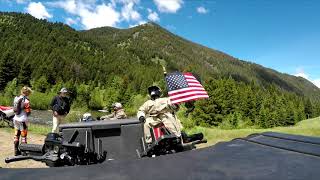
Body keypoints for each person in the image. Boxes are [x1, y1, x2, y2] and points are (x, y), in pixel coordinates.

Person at [13, 86, 32, 156]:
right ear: (27, 93)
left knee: (16, 135)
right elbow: (28, 112)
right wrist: (29, 111)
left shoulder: (16, 98)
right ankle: (24, 152)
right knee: (24, 136)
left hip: (15, 119)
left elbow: (14, 109)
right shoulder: (26, 101)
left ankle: (15, 150)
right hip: (23, 120)